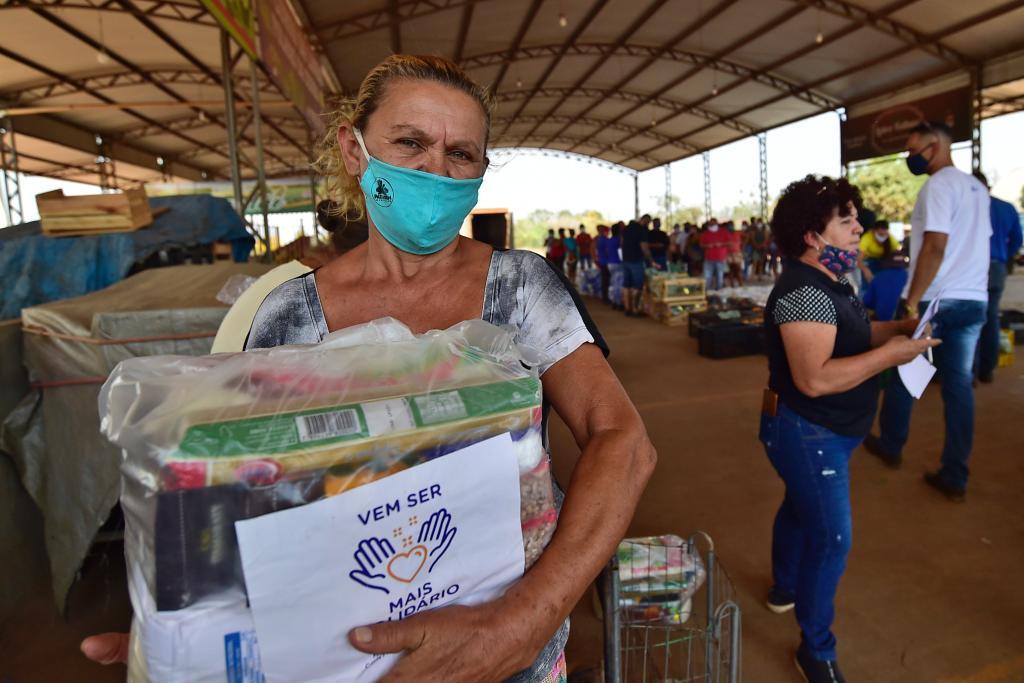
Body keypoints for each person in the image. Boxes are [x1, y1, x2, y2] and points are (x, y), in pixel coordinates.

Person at [80, 54, 657, 683]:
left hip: (509, 663)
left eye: (461, 155)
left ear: (480, 174)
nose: (435, 170)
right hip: (343, 661)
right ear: (354, 151)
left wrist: (523, 622)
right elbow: (245, 487)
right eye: (410, 142)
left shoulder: (521, 287)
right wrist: (189, 632)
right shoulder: (290, 315)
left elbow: (622, 442)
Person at [761, 175, 937, 683]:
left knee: (801, 506)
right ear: (813, 237)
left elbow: (851, 334)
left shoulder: (835, 280)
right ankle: (815, 649)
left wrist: (898, 331)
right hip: (808, 431)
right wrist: (890, 354)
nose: (861, 226)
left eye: (856, 216)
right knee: (832, 537)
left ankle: (784, 586)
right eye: (847, 219)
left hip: (825, 431)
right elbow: (813, 379)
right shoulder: (804, 293)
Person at [864, 121, 991, 502]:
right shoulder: (977, 188)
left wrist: (912, 300)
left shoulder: (939, 185)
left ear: (934, 146)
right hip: (974, 299)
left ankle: (891, 444)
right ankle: (955, 473)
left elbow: (935, 245)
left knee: (906, 374)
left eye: (913, 148)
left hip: (937, 298)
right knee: (958, 386)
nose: (909, 157)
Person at [974, 171, 1022, 383]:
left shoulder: (970, 207)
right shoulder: (1007, 208)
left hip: (973, 269)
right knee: (991, 317)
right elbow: (1016, 241)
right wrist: (1003, 256)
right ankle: (987, 369)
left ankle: (970, 371)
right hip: (997, 267)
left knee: (972, 318)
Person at [621, 214, 654, 316]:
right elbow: (644, 247)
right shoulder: (641, 230)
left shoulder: (627, 228)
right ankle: (635, 310)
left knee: (627, 285)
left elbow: (621, 242)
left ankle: (627, 309)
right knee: (637, 286)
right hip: (636, 260)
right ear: (646, 221)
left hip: (625, 259)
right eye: (648, 223)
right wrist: (651, 260)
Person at [856, 219, 900, 284]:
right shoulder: (867, 238)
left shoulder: (892, 239)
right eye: (880, 234)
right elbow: (859, 260)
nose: (882, 237)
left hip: (886, 261)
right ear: (874, 231)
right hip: (869, 260)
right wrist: (866, 270)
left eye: (884, 234)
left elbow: (898, 257)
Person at [699, 219, 730, 291]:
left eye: (713, 224)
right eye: (710, 225)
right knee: (707, 276)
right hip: (709, 258)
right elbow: (701, 245)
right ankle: (707, 290)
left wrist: (721, 244)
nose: (711, 226)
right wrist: (707, 246)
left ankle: (719, 290)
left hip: (720, 257)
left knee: (720, 275)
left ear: (717, 224)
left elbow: (729, 243)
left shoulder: (724, 232)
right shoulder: (705, 233)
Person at [726, 221, 744, 287]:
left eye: (731, 225)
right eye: (729, 225)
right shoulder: (725, 233)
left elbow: (747, 236)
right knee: (731, 270)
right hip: (728, 253)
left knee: (738, 269)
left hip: (737, 253)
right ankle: (732, 284)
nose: (731, 226)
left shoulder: (738, 232)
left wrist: (743, 245)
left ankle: (740, 284)